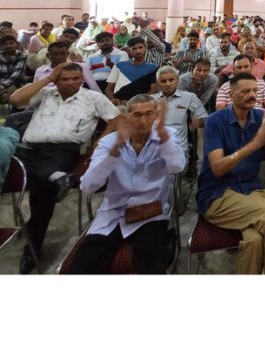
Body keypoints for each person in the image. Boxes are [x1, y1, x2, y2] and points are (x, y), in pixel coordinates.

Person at [9, 63, 120, 274]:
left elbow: (116, 118)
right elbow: (15, 100)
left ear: (82, 79)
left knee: (42, 193)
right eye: (64, 79)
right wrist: (48, 79)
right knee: (11, 158)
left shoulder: (92, 98)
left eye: (75, 79)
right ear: (56, 80)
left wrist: (102, 139)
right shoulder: (46, 93)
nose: (70, 83)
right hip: (29, 148)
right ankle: (58, 177)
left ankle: (32, 247)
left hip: (62, 150)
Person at [67, 95, 185, 274]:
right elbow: (88, 186)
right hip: (113, 213)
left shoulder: (167, 136)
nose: (144, 120)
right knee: (82, 267)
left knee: (152, 268)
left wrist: (162, 135)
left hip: (150, 214)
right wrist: (115, 150)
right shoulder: (109, 142)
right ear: (127, 117)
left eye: (149, 114)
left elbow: (177, 166)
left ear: (156, 116)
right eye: (137, 115)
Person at [196, 72, 265, 274]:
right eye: (245, 91)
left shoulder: (260, 116)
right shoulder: (215, 121)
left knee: (253, 240)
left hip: (250, 189)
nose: (252, 95)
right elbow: (217, 168)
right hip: (217, 194)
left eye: (255, 91)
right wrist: (255, 144)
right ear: (230, 93)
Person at [152, 66, 208, 175]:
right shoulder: (152, 100)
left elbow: (204, 118)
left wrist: (197, 122)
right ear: (158, 82)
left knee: (174, 185)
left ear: (177, 80)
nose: (168, 84)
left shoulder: (189, 97)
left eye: (171, 80)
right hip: (154, 149)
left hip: (178, 149)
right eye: (163, 81)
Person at [105, 37, 159, 108]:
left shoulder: (153, 68)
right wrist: (112, 99)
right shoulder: (119, 65)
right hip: (119, 104)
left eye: (140, 47)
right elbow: (109, 88)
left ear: (146, 48)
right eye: (134, 48)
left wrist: (135, 103)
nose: (138, 51)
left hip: (140, 106)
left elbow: (154, 90)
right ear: (129, 50)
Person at [33, 41, 100, 92]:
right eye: (54, 54)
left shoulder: (81, 67)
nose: (58, 57)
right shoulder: (40, 71)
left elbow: (94, 88)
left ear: (67, 54)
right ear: (48, 56)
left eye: (62, 54)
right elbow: (34, 91)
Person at [0, 35, 26, 103]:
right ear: (1, 46)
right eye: (5, 44)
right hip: (1, 83)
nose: (8, 46)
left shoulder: (22, 56)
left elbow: (16, 74)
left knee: (7, 96)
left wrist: (2, 86)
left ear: (16, 44)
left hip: (15, 83)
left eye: (11, 43)